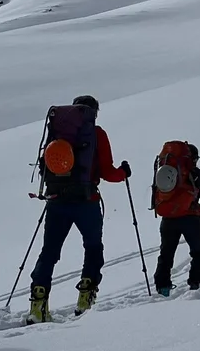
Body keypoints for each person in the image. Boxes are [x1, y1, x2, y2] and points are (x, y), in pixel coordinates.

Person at [30, 94, 130, 323]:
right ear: (94, 112)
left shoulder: (57, 132)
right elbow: (107, 171)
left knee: (49, 253)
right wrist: (124, 172)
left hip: (56, 201)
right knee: (93, 247)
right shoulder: (97, 134)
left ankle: (37, 305)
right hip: (87, 201)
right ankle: (85, 297)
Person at [150, 142, 200, 297]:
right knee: (198, 251)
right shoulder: (196, 173)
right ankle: (196, 283)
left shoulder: (165, 170)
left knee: (166, 253)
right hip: (190, 218)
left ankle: (162, 287)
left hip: (167, 219)